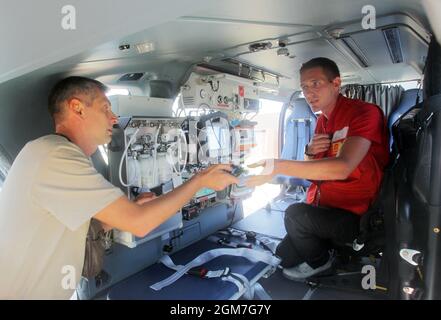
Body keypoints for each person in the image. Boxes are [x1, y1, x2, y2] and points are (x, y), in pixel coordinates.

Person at [0, 76, 238, 299]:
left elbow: (70, 227)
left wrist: (124, 212)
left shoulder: (58, 154)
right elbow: (140, 224)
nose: (113, 118)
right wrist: (200, 181)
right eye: (105, 108)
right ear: (77, 108)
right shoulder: (55, 155)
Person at [246, 57, 389, 280]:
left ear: (336, 83)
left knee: (294, 215)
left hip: (357, 217)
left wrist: (276, 166)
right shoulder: (323, 120)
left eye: (315, 84)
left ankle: (323, 263)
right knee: (284, 256)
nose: (309, 92)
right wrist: (310, 152)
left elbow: (343, 168)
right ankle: (332, 251)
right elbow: (314, 169)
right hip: (325, 210)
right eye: (304, 87)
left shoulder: (365, 113)